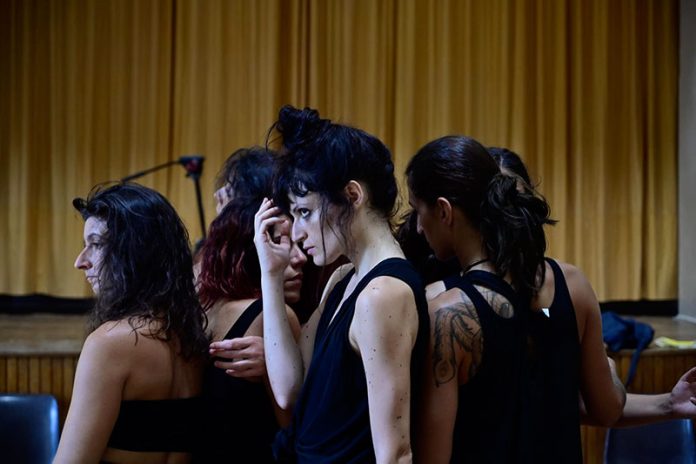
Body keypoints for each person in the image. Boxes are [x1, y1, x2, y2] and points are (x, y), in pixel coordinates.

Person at [407, 135, 627, 463]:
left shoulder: (446, 310)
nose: (418, 227)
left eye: (417, 210)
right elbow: (605, 408)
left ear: (444, 211)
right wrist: (608, 369)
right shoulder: (569, 286)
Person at [254, 105, 429, 463]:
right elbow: (288, 389)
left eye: (305, 212)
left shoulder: (383, 295)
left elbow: (395, 454)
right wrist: (271, 275)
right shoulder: (342, 279)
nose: (297, 232)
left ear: (353, 195)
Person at [489, 146, 696, 430]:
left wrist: (668, 404)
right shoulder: (448, 298)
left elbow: (578, 404)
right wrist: (608, 369)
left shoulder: (567, 286)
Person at [54, 183, 209, 463]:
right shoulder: (193, 335)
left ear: (136, 251)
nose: (80, 261)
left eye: (96, 244)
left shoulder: (109, 344)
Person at [196, 147, 305, 462]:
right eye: (282, 242)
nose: (300, 257)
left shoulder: (209, 300)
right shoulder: (264, 311)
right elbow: (296, 433)